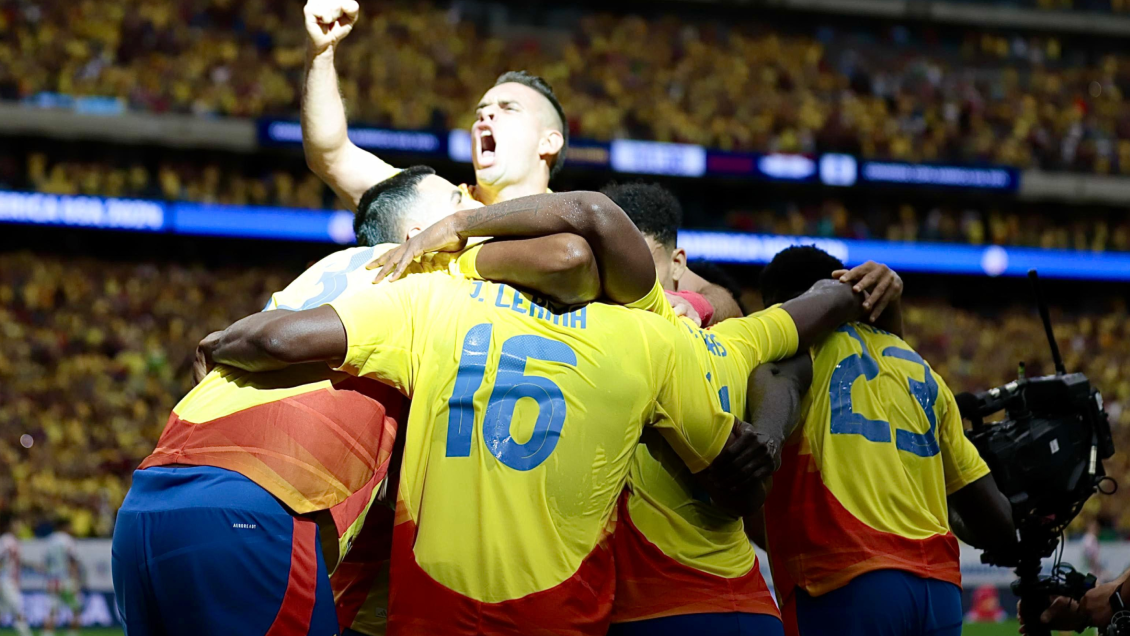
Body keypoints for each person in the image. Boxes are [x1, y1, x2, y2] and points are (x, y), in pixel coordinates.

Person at [198, 185, 876, 635]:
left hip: (440, 613)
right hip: (622, 611)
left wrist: (460, 237)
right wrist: (856, 294)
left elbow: (276, 337)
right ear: (655, 272)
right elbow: (783, 355)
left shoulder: (445, 303)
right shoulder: (658, 341)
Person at [110, 186, 620, 636]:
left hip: (146, 503)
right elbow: (569, 254)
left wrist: (223, 341)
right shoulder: (430, 269)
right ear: (422, 233)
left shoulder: (326, 267)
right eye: (457, 202)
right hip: (259, 507)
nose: (480, 208)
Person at [758, 245, 1017, 636]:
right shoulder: (920, 368)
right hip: (939, 590)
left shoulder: (790, 348)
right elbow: (996, 521)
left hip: (844, 576)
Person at [43, 519, 81, 636]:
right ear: (64, 526)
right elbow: (72, 560)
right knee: (76, 608)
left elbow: (46, 562)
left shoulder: (49, 540)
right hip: (66, 579)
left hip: (52, 580)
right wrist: (75, 579)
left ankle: (47, 633)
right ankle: (72, 633)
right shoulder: (67, 540)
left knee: (52, 610)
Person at [0, 515, 31, 636]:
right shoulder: (6, 540)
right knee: (18, 607)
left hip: (8, 579)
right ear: (10, 525)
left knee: (3, 609)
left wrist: (33, 565)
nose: (19, 526)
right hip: (5, 580)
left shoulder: (12, 540)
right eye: (17, 523)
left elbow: (15, 560)